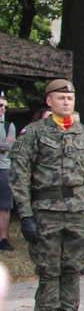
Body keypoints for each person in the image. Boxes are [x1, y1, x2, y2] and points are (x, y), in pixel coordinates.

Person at [11, 79, 84, 311]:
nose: (67, 102)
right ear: (49, 101)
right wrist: (26, 215)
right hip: (46, 213)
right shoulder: (33, 133)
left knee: (72, 271)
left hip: (78, 212)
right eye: (60, 98)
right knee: (48, 272)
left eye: (70, 98)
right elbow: (19, 177)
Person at [0, 97, 16, 251]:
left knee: (4, 206)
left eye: (5, 106)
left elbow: (10, 146)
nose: (3, 109)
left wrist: (5, 146)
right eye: (0, 105)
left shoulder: (9, 125)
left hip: (4, 169)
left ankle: (3, 239)